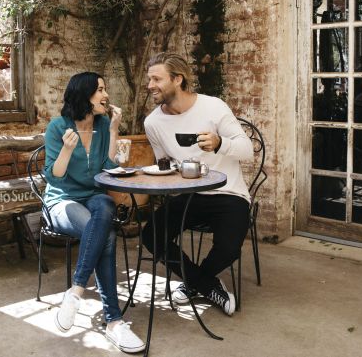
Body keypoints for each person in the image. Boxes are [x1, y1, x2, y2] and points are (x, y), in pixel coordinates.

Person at [141, 52, 254, 316]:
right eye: (149, 79)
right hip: (189, 195)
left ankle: (194, 281)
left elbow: (247, 149)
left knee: (228, 248)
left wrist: (220, 144)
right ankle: (205, 284)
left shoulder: (213, 106)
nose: (150, 86)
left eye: (156, 79)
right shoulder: (153, 122)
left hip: (229, 193)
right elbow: (164, 164)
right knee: (151, 234)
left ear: (177, 79)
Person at [43, 71, 145, 354]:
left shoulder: (101, 124)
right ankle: (114, 321)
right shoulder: (57, 127)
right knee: (105, 232)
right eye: (99, 90)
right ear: (83, 94)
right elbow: (54, 178)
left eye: (105, 89)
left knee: (104, 207)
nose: (106, 95)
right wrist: (66, 149)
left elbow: (108, 167)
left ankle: (75, 292)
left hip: (93, 197)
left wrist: (113, 130)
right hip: (62, 200)